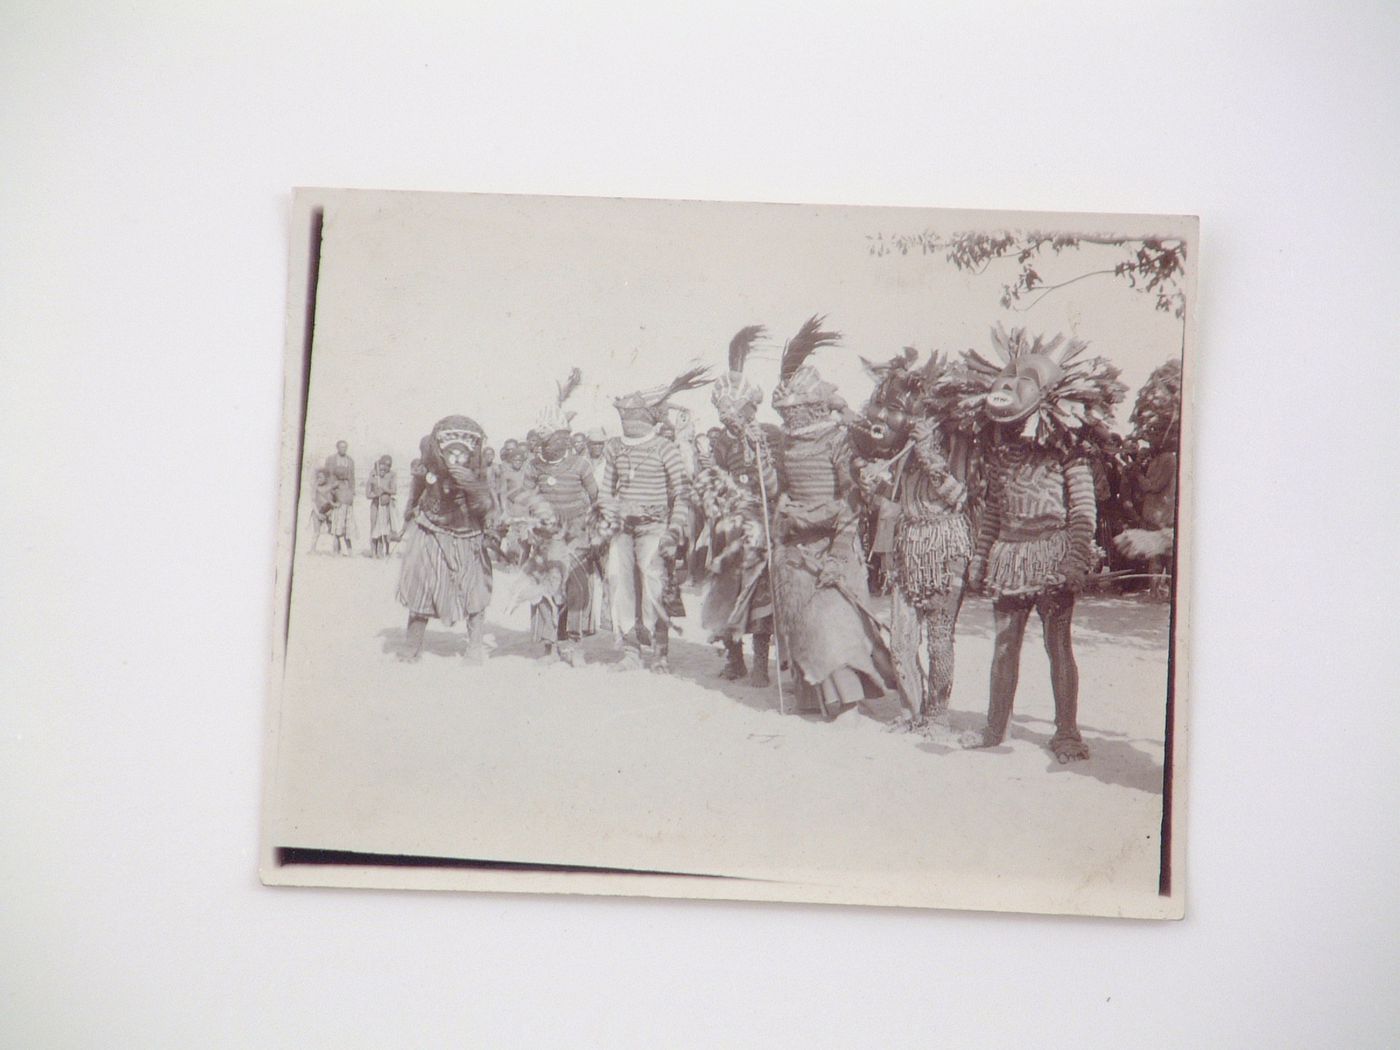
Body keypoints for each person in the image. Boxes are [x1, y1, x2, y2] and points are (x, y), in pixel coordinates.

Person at [932, 324, 1126, 762]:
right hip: (1009, 557)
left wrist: (1076, 557)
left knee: (1058, 644)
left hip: (1053, 552)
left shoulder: (1070, 454)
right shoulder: (1000, 459)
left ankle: (1068, 733)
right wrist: (980, 559)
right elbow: (994, 515)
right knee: (1004, 646)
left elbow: (1082, 513)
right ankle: (995, 727)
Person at [769, 316, 897, 717]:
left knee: (833, 623)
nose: (791, 419)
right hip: (796, 544)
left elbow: (850, 497)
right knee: (801, 622)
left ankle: (851, 701)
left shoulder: (838, 441)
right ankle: (813, 696)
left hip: (832, 543)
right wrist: (783, 509)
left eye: (796, 412)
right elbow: (781, 489)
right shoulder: (787, 446)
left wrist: (838, 547)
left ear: (811, 408)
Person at [851, 349, 972, 730]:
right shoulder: (898, 453)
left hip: (944, 546)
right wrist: (869, 485)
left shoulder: (957, 445)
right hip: (906, 548)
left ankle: (936, 716)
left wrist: (931, 456)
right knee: (902, 640)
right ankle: (910, 709)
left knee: (938, 639)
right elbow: (888, 505)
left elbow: (960, 497)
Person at [599, 366, 710, 672]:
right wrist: (609, 518)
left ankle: (660, 652)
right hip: (622, 530)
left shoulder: (666, 448)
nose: (628, 422)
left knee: (654, 587)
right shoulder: (614, 448)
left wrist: (673, 532)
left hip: (655, 528)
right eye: (624, 417)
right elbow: (606, 491)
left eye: (633, 416)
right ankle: (631, 652)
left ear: (648, 418)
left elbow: (682, 493)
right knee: (621, 586)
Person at [694, 324, 779, 687]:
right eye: (723, 412)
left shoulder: (770, 436)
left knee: (759, 591)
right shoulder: (717, 443)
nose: (727, 417)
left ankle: (761, 663)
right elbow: (710, 482)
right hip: (726, 523)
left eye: (734, 410)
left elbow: (777, 484)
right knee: (726, 588)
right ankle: (734, 658)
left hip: (760, 522)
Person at [395, 416, 495, 663]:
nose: (456, 458)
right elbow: (414, 498)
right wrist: (408, 517)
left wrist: (472, 487)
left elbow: (487, 507)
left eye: (462, 453)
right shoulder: (425, 471)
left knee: (474, 593)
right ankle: (411, 647)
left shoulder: (480, 474)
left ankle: (474, 648)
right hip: (431, 533)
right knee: (421, 589)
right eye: (452, 453)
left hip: (467, 538)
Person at [517, 369, 598, 666]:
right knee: (547, 589)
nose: (560, 444)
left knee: (575, 587)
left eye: (564, 439)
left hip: (576, 534)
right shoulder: (533, 465)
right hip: (545, 536)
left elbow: (595, 496)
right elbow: (525, 497)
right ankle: (550, 645)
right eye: (554, 439)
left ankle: (573, 644)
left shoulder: (580, 464)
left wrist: (592, 527)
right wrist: (530, 524)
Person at [366, 455, 400, 558]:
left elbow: (394, 491)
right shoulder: (373, 475)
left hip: (386, 506)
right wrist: (377, 494)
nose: (386, 467)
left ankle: (381, 551)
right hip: (376, 504)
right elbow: (368, 494)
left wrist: (384, 489)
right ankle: (373, 551)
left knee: (383, 528)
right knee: (374, 527)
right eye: (385, 465)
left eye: (389, 465)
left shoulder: (392, 475)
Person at [328, 459, 357, 556]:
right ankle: (336, 551)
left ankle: (350, 552)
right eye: (344, 473)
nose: (346, 475)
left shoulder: (347, 483)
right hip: (340, 509)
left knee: (347, 531)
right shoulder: (337, 483)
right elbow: (329, 493)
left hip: (348, 509)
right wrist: (333, 502)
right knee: (337, 531)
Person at [308, 467, 335, 553]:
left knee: (333, 531)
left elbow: (333, 503)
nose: (318, 479)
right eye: (317, 477)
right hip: (317, 511)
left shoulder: (330, 487)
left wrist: (329, 513)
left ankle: (335, 549)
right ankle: (312, 549)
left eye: (321, 477)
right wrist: (317, 513)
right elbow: (313, 502)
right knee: (316, 532)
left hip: (328, 512)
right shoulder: (315, 487)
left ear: (326, 478)